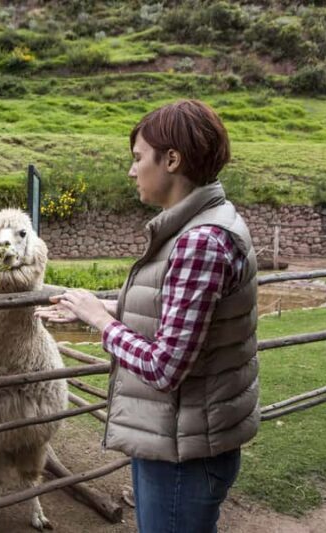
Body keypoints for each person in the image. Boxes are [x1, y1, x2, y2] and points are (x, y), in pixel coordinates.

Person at [36, 99, 259, 533]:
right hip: (183, 438)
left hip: (183, 453)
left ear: (171, 159)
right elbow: (186, 320)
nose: (131, 170)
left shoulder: (199, 242)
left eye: (138, 158)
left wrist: (102, 323)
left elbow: (164, 366)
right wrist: (100, 309)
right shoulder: (210, 223)